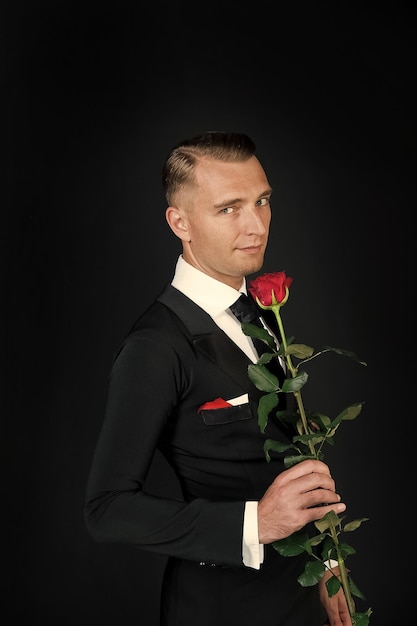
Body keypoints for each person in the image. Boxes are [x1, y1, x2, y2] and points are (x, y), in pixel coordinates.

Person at [84, 131, 351, 626]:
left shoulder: (260, 313)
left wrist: (330, 564)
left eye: (263, 201)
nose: (256, 225)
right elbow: (106, 509)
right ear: (179, 222)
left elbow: (288, 448)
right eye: (229, 208)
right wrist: (256, 521)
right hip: (221, 608)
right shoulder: (154, 346)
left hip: (302, 593)